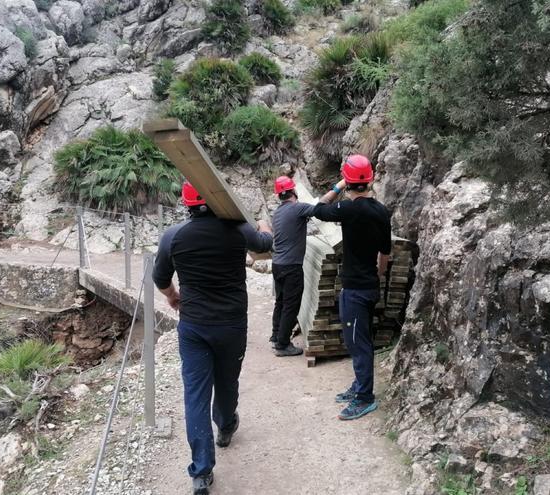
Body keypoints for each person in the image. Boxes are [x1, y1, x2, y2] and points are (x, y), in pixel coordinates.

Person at [153, 181, 273, 495]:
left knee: (195, 394)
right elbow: (264, 245)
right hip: (231, 324)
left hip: (193, 326)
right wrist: (262, 222)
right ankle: (226, 424)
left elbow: (160, 278)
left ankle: (201, 472)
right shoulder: (238, 229)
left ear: (186, 203)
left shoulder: (174, 236)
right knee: (227, 380)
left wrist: (172, 296)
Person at [312, 155, 391, 421]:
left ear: (349, 182)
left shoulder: (346, 209)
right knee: (361, 339)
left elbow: (318, 209)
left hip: (355, 290)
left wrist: (337, 186)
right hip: (368, 286)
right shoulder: (381, 211)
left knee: (358, 343)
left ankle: (365, 397)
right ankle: (360, 387)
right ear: (370, 179)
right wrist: (377, 275)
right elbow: (385, 253)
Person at [269, 175, 313, 357]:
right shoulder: (297, 209)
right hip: (291, 267)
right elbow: (321, 207)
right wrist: (337, 188)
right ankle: (283, 344)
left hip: (277, 265)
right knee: (291, 305)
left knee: (280, 302)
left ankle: (275, 335)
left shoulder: (278, 213)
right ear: (293, 191)